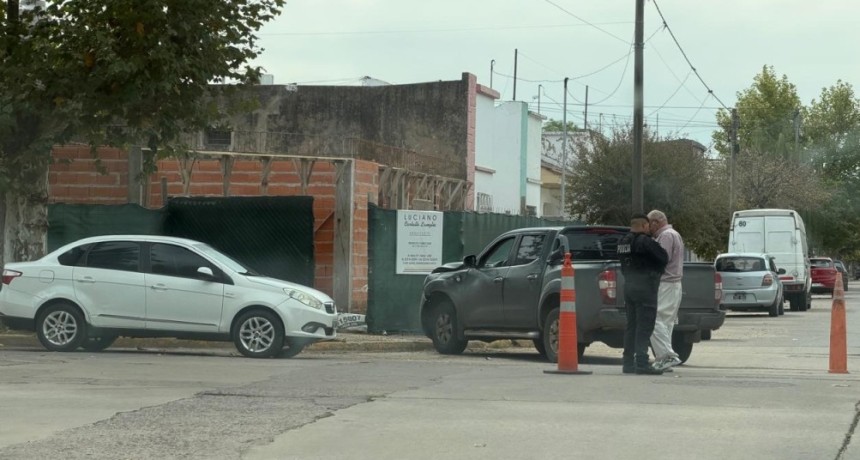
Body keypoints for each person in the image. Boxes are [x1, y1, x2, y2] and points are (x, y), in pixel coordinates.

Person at [618, 213, 669, 375]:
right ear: (644, 226)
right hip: (645, 288)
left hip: (629, 287)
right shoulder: (646, 242)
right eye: (648, 226)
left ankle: (627, 363)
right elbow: (663, 258)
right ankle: (642, 363)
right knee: (645, 326)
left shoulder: (622, 242)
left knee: (631, 326)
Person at [648, 210, 685, 372]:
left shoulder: (666, 236)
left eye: (649, 224)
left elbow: (661, 259)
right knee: (665, 323)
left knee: (653, 319)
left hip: (666, 283)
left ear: (655, 222)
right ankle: (664, 359)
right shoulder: (673, 234)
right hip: (672, 284)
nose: (648, 228)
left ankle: (667, 355)